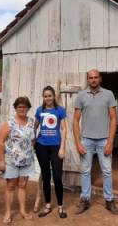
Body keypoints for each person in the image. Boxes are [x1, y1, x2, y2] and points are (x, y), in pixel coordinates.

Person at [73, 69, 118, 215]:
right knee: (85, 171)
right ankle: (85, 200)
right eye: (90, 77)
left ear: (100, 79)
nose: (93, 80)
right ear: (88, 79)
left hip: (104, 139)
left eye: (95, 77)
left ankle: (109, 200)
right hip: (86, 139)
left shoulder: (108, 94)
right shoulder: (81, 95)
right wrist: (78, 143)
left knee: (106, 171)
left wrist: (110, 142)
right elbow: (75, 120)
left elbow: (113, 119)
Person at [0, 96, 35, 224]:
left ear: (28, 108)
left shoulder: (31, 122)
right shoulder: (9, 124)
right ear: (15, 108)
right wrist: (1, 161)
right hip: (11, 161)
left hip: (26, 160)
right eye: (19, 106)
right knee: (10, 186)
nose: (22, 109)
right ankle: (7, 212)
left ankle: (23, 211)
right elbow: (1, 143)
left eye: (24, 107)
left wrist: (30, 153)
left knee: (23, 185)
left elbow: (32, 140)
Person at [34, 86, 68, 219]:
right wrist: (33, 140)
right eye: (45, 96)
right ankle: (48, 205)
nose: (48, 98)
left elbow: (64, 129)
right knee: (46, 177)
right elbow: (35, 126)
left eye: (50, 95)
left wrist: (63, 147)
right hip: (41, 147)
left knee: (58, 177)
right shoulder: (39, 110)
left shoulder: (60, 110)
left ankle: (60, 207)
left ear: (54, 96)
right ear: (43, 97)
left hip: (56, 147)